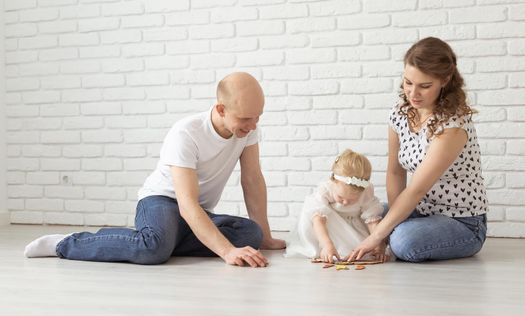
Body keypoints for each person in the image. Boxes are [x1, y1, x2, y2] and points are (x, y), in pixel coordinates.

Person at [24, 72, 285, 267]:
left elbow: (252, 179)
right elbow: (186, 202)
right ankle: (66, 243)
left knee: (251, 233)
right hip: (161, 201)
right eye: (245, 118)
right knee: (153, 250)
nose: (253, 125)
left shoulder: (247, 130)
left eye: (257, 116)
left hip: (195, 212)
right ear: (220, 109)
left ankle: (164, 237)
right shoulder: (187, 133)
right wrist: (227, 251)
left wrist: (266, 236)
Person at [348, 37, 488, 263]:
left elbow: (416, 190)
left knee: (403, 241)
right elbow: (395, 171)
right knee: (353, 215)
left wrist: (380, 235)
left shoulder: (453, 126)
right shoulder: (400, 111)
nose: (413, 93)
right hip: (419, 209)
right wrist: (390, 221)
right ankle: (395, 231)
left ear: (445, 80)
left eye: (424, 86)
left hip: (461, 221)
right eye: (407, 83)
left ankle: (397, 236)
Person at [285, 149, 390, 263]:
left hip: (353, 223)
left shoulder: (366, 191)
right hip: (328, 225)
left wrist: (379, 245)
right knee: (318, 232)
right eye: (340, 197)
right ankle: (328, 248)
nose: (345, 202)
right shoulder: (326, 190)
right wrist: (326, 245)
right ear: (333, 181)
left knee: (363, 247)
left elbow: (372, 221)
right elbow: (318, 221)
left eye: (352, 199)